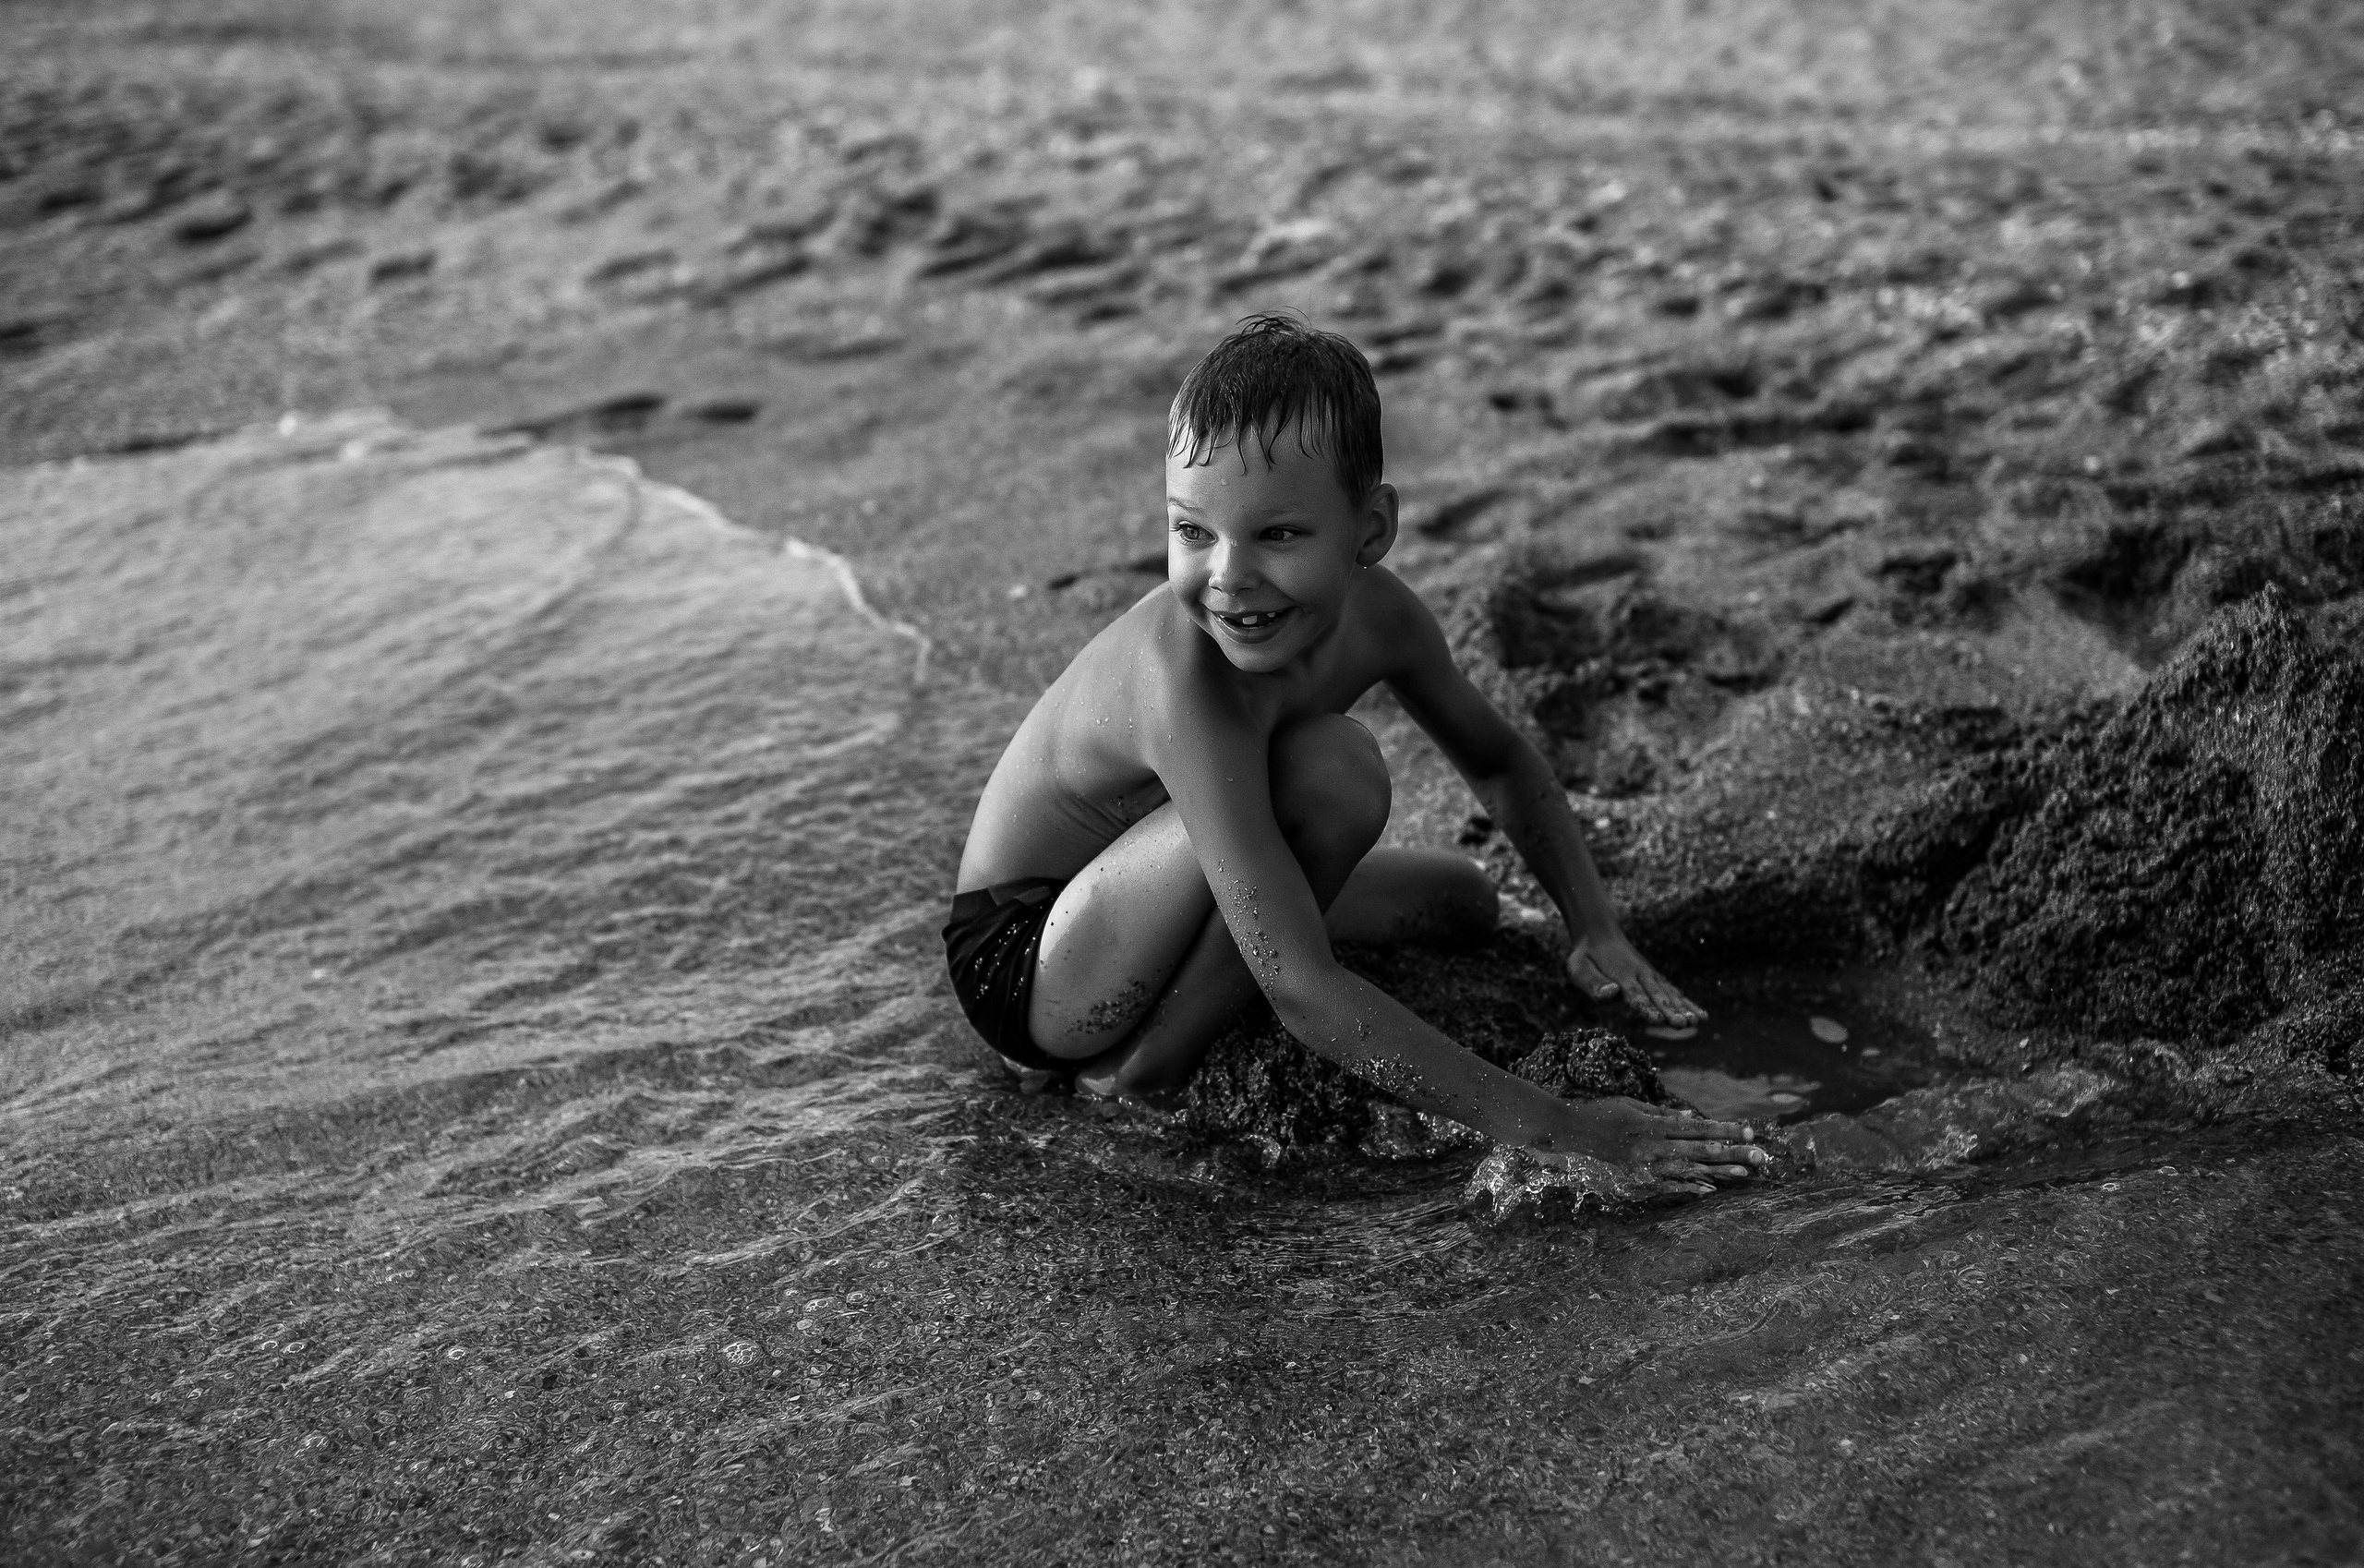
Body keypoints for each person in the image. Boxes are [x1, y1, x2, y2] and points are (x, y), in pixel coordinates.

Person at [944, 315, 1763, 1187]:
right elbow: (1303, 991)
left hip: (1155, 893)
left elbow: (1499, 763)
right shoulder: (1183, 682)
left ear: (1370, 530)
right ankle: (1141, 1070)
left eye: (1280, 534)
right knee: (1335, 772)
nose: (1228, 575)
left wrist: (1594, 928)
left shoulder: (1385, 617)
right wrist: (1564, 1129)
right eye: (1193, 531)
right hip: (1031, 959)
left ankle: (1186, 1006)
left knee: (1464, 901)